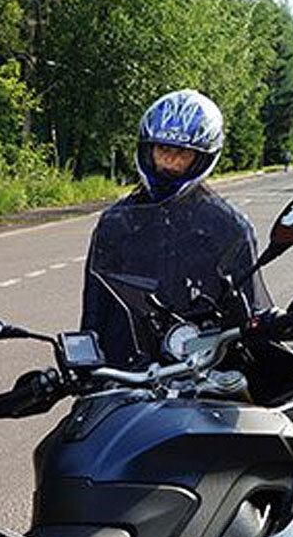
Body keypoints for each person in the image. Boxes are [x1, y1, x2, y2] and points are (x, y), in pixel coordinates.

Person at [81, 88, 269, 367]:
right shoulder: (116, 222)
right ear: (148, 149)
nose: (170, 162)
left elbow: (247, 313)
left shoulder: (228, 227)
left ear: (203, 156)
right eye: (163, 149)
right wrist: (87, 367)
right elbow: (95, 307)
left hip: (199, 370)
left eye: (182, 153)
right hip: (122, 374)